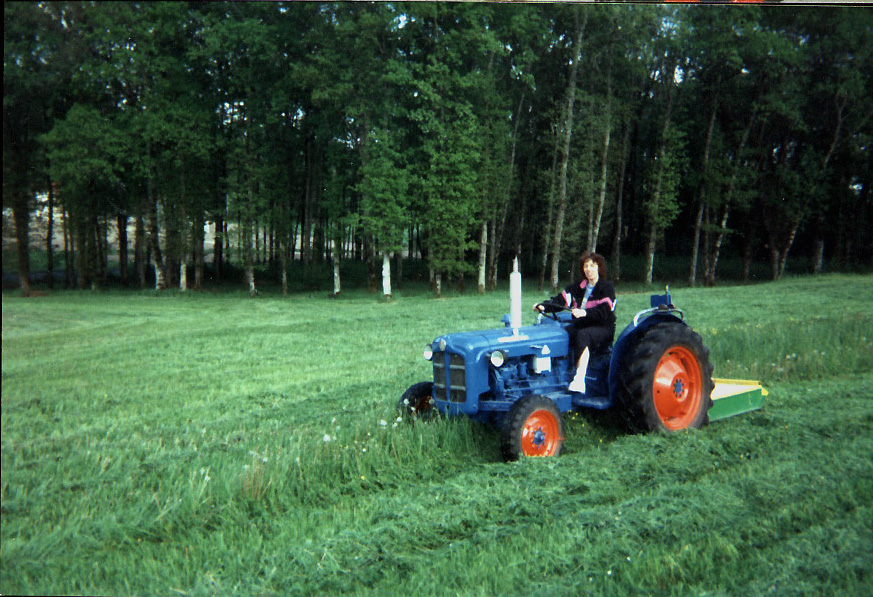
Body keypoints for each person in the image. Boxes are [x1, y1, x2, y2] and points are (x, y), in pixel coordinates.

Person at [533, 252, 616, 394]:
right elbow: (561, 300)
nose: (588, 269)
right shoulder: (578, 286)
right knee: (561, 334)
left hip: (602, 327)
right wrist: (544, 306)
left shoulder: (606, 287)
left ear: (599, 268)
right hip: (582, 325)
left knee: (583, 336)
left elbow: (605, 310)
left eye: (592, 266)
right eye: (586, 266)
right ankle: (557, 373)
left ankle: (579, 380)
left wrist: (585, 313)